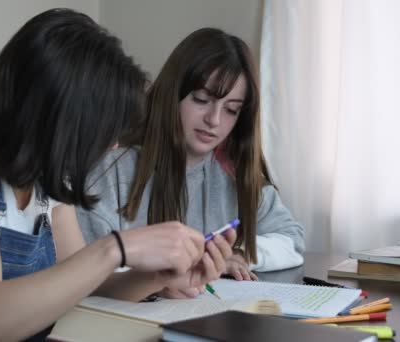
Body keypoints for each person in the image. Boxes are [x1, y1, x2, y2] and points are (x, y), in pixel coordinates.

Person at [0, 11, 235, 341]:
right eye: (105, 129)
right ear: (64, 115)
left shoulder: (48, 183)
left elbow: (83, 287)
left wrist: (158, 278)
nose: (112, 146)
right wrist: (116, 248)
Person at [77, 28, 305, 297]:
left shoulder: (234, 175)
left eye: (231, 109)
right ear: (173, 94)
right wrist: (155, 282)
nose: (214, 120)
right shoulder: (113, 168)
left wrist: (237, 253)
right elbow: (79, 269)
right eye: (201, 99)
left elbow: (292, 241)